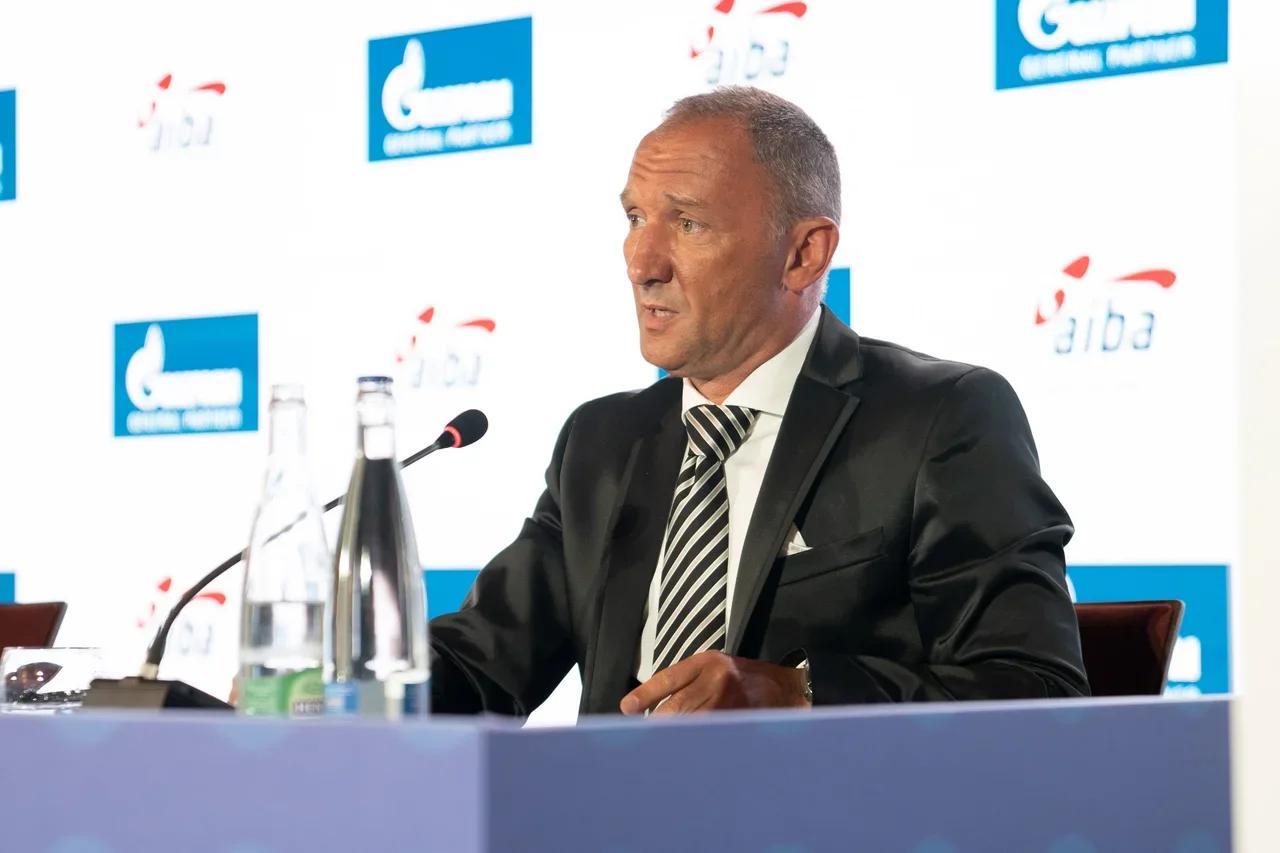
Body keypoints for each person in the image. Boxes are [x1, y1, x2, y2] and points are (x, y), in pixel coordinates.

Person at [429, 86, 1088, 717]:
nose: (641, 263)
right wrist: (369, 672)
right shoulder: (600, 439)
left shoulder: (941, 419)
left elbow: (1037, 691)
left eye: (688, 223)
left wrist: (800, 694)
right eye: (634, 218)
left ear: (804, 254)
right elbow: (481, 661)